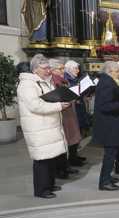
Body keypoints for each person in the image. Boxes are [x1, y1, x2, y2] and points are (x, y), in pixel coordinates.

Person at [17, 54, 70, 198]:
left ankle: (49, 185)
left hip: (48, 125)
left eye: (48, 68)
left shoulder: (44, 81)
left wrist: (61, 100)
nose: (48, 71)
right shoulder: (27, 84)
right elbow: (35, 106)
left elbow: (50, 99)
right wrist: (59, 106)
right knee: (42, 160)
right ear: (35, 69)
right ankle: (41, 190)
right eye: (45, 68)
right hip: (38, 127)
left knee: (51, 158)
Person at [93, 61, 119, 191]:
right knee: (110, 154)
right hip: (109, 125)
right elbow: (104, 106)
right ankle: (104, 182)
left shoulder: (108, 81)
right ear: (109, 71)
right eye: (117, 71)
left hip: (112, 123)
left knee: (112, 153)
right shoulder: (106, 83)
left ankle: (107, 177)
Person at [50, 59, 81, 179]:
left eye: (63, 68)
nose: (63, 71)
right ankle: (61, 169)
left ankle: (65, 166)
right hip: (62, 113)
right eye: (60, 69)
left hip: (68, 112)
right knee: (62, 142)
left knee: (68, 140)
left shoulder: (62, 80)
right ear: (52, 70)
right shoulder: (54, 81)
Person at [64, 60, 88, 166]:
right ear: (69, 69)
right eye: (75, 69)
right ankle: (71, 158)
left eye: (78, 69)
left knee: (77, 133)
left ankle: (75, 155)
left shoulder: (74, 78)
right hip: (72, 109)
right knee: (72, 134)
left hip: (79, 107)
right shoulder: (66, 79)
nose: (78, 71)